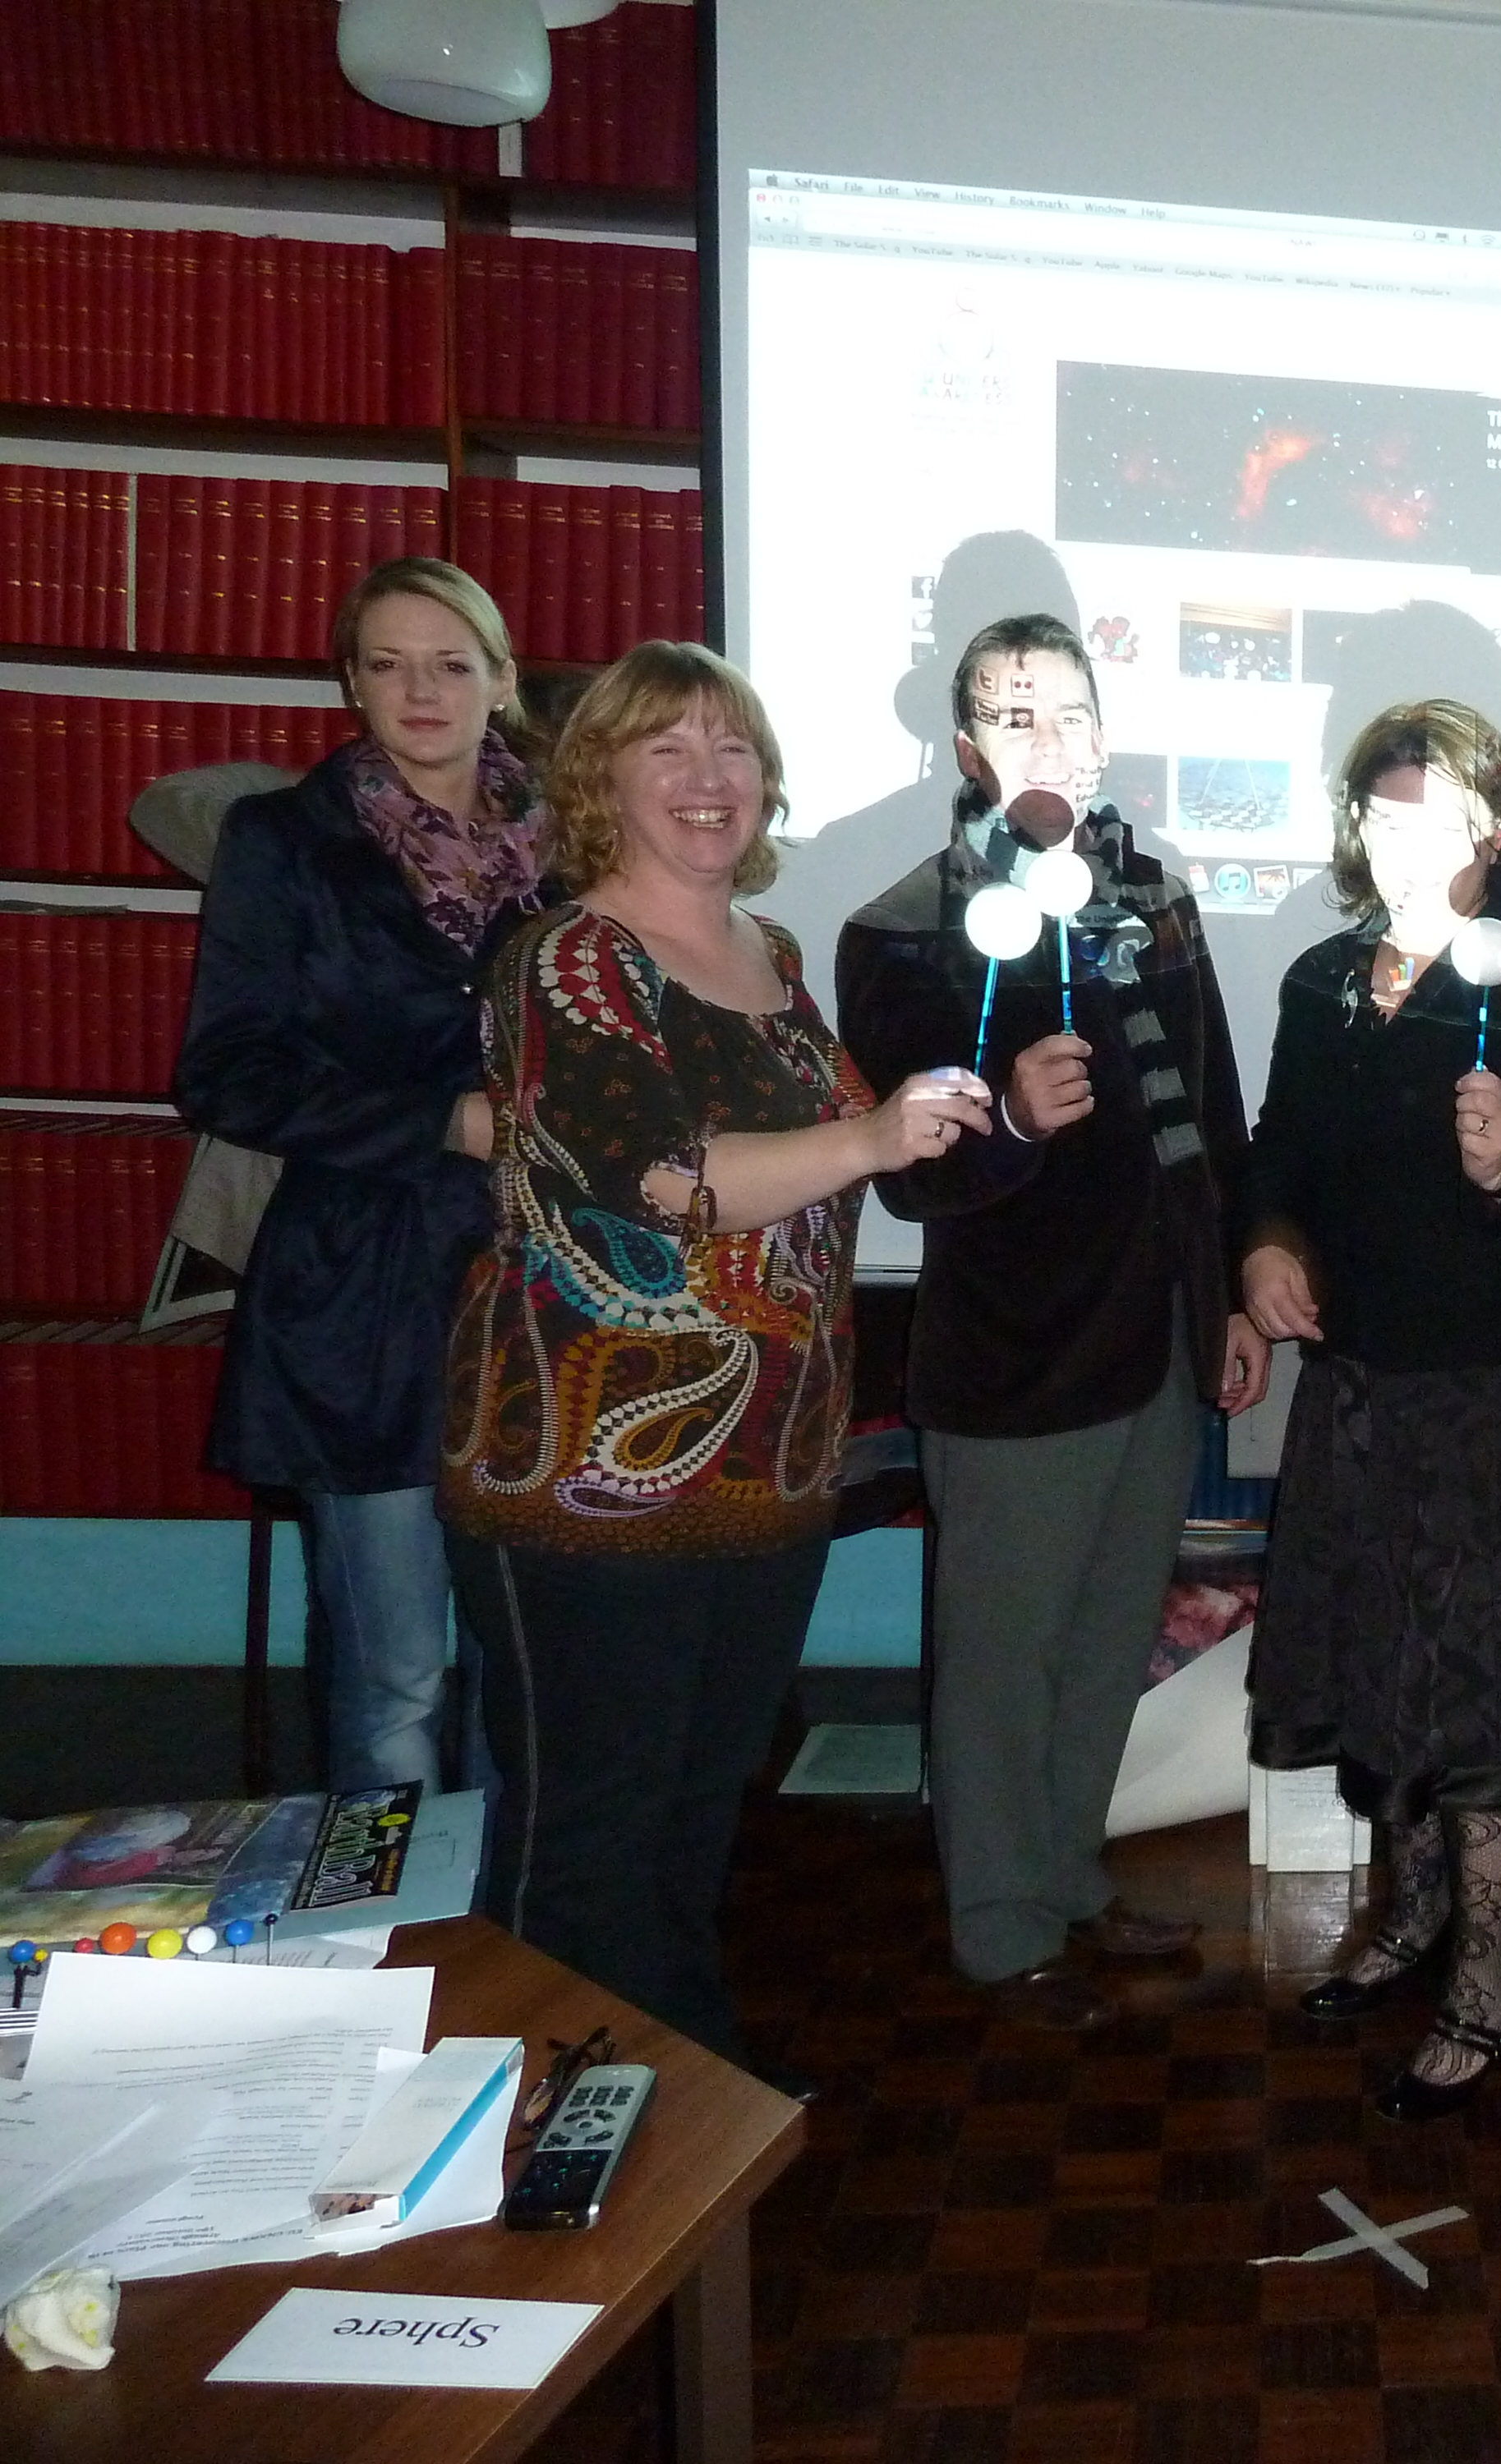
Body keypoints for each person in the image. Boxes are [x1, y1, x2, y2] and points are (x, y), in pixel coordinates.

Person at [439, 641, 991, 2061]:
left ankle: (669, 2096)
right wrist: (869, 1137)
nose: (707, 776)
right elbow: (656, 1179)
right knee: (588, 1838)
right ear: (598, 778)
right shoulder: (568, 960)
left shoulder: (772, 956)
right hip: (586, 1485)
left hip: (765, 1473)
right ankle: (548, 2134)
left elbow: (835, 1166)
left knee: (694, 1818)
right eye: (667, 746)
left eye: (731, 745)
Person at [837, 613, 1259, 2034]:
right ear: (969, 749)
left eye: (1070, 715)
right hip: (1017, 1357)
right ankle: (1002, 1929)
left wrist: (1232, 1291)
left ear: (1104, 735)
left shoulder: (1159, 895)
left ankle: (1069, 1876)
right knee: (1003, 1662)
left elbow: (1214, 1117)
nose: (1050, 742)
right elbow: (914, 1181)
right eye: (1015, 718)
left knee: (1102, 1644)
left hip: (1158, 1344)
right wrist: (1011, 1118)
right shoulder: (905, 926)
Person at [1243, 700, 1501, 2122]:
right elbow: (1281, 1154)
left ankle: (1487, 1971)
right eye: (1382, 811)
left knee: (1490, 1690)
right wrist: (1265, 1247)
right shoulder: (1321, 981)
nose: (1405, 837)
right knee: (1389, 1661)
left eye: (1442, 815)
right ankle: (1412, 1917)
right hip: (1370, 1385)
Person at [175, 558, 549, 1794]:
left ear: (500, 679)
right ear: (351, 682)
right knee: (396, 1678)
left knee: (524, 1672)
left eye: (451, 664)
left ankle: (500, 1912)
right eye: (388, 665)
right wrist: (441, 1122)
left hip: (541, 1292)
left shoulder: (579, 845)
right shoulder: (284, 840)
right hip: (362, 1290)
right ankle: (383, 1915)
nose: (421, 692)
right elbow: (224, 1076)